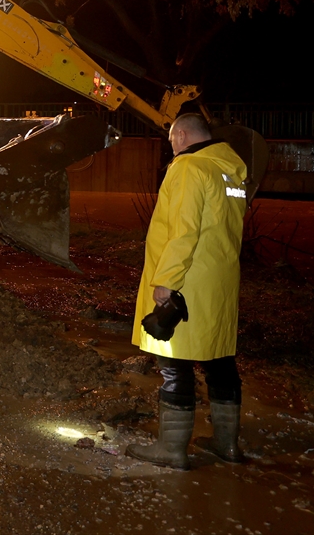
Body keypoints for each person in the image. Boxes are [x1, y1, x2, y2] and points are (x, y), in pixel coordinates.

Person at [126, 113, 248, 470]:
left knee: (174, 365)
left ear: (180, 135)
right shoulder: (231, 171)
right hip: (220, 284)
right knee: (220, 361)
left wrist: (167, 280)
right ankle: (227, 445)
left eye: (171, 140)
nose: (172, 147)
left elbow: (184, 230)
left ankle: (171, 450)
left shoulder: (188, 168)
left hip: (187, 283)